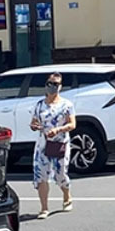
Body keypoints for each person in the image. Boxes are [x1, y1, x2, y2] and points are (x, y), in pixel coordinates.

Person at [29, 71, 76, 219]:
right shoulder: (39, 105)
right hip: (43, 144)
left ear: (60, 86)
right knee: (41, 175)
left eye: (56, 84)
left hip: (60, 143)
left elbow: (72, 124)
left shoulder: (66, 105)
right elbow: (34, 122)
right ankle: (44, 208)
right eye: (50, 83)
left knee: (60, 173)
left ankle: (67, 196)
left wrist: (58, 130)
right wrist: (35, 126)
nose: (52, 87)